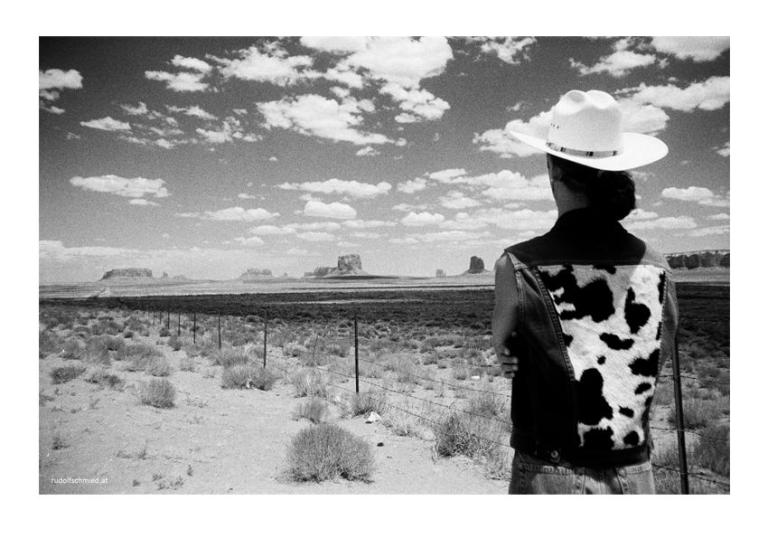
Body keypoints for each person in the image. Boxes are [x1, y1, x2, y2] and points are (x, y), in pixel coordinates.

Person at [493, 89, 679, 494]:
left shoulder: (516, 266)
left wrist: (511, 354)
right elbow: (656, 352)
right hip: (635, 474)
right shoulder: (659, 266)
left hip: (549, 472)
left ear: (552, 170)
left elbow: (504, 344)